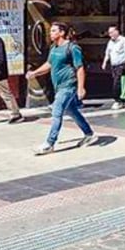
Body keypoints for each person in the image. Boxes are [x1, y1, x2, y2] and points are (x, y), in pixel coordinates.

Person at [26, 22, 97, 155]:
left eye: (54, 31)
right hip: (58, 87)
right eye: (51, 31)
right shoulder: (54, 48)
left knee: (56, 111)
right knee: (72, 111)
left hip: (68, 86)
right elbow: (49, 64)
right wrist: (35, 73)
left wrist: (81, 88)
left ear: (62, 32)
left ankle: (49, 143)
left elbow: (80, 68)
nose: (50, 33)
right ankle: (89, 134)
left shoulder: (72, 48)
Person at [101, 26, 125, 110]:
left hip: (121, 64)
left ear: (117, 31)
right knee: (118, 82)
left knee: (117, 83)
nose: (110, 34)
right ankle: (123, 100)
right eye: (109, 33)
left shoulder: (123, 40)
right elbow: (107, 53)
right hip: (113, 65)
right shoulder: (110, 42)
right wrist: (104, 62)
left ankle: (117, 100)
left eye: (111, 32)